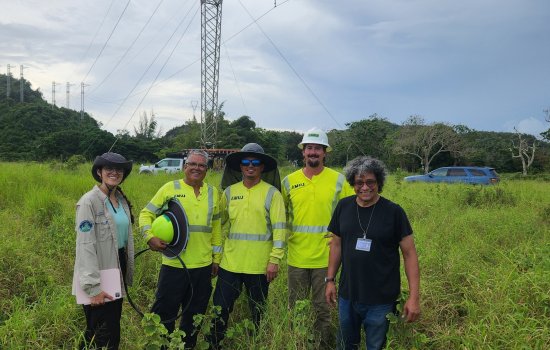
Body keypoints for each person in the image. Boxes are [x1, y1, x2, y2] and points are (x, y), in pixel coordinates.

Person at [325, 156, 420, 350]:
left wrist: (413, 297)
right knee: (345, 345)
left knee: (375, 346)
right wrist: (330, 280)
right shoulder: (344, 206)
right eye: (359, 182)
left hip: (381, 300)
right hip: (347, 296)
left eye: (370, 182)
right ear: (353, 183)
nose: (365, 187)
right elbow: (336, 245)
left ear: (379, 182)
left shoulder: (394, 212)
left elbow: (410, 254)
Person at [139, 150, 222, 349]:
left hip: (202, 267)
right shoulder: (170, 188)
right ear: (185, 166)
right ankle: (160, 346)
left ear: (207, 169)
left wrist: (216, 258)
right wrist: (149, 237)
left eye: (202, 165)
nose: (197, 168)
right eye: (192, 164)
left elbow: (216, 229)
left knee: (194, 316)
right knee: (164, 314)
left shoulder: (213, 193)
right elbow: (145, 214)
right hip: (174, 265)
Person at [207, 143, 286, 349]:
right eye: (245, 162)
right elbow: (218, 223)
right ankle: (214, 343)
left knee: (258, 310)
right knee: (220, 308)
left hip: (260, 266)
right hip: (230, 264)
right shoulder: (230, 192)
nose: (250, 166)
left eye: (255, 162)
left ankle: (256, 342)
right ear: (240, 167)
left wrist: (274, 260)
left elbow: (280, 230)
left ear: (262, 167)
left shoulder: (272, 194)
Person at [281, 127, 354, 347]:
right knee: (297, 308)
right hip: (297, 258)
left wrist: (343, 239)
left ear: (325, 152)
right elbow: (279, 215)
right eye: (309, 148)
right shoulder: (288, 181)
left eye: (317, 148)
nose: (313, 152)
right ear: (303, 152)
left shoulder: (339, 181)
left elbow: (352, 211)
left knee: (324, 309)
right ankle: (300, 344)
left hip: (327, 258)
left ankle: (322, 345)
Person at [73, 152, 135, 350]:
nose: (114, 173)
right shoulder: (89, 202)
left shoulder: (121, 200)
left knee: (111, 327)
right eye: (109, 169)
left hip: (117, 266)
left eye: (119, 169)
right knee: (100, 332)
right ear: (99, 172)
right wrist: (93, 287)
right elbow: (85, 246)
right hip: (98, 269)